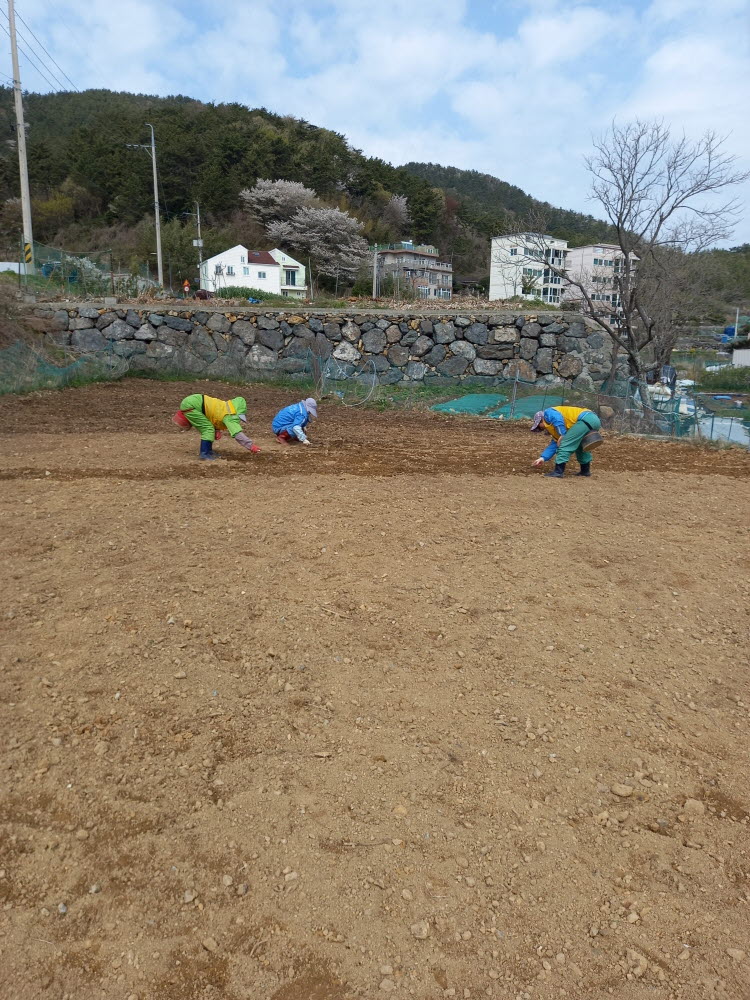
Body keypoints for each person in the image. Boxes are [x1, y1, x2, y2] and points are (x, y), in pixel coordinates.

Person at [173, 393, 260, 461]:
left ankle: (209, 451)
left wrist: (217, 429)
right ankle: (205, 453)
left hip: (194, 401)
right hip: (192, 405)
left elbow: (212, 415)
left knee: (209, 428)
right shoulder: (230, 416)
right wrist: (250, 446)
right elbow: (237, 433)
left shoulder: (226, 407)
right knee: (208, 429)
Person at [530, 405, 602, 478]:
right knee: (580, 445)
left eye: (538, 425)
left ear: (541, 419)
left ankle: (558, 472)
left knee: (565, 443)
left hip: (585, 419)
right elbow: (555, 443)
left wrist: (562, 434)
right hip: (593, 419)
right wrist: (542, 458)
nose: (540, 428)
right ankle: (585, 471)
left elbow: (557, 419)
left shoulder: (548, 413)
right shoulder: (558, 428)